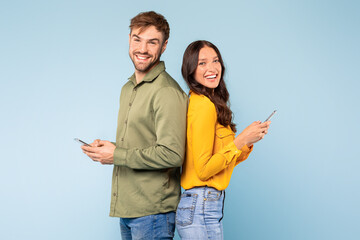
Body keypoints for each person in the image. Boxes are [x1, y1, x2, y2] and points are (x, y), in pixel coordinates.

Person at [81, 11, 188, 240]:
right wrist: (108, 147)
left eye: (152, 42)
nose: (142, 48)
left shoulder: (167, 91)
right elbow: (143, 142)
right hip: (129, 209)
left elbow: (172, 154)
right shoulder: (128, 88)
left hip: (153, 213)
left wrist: (117, 155)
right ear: (129, 39)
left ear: (164, 46)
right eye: (137, 39)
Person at [175, 40, 271, 240]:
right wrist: (242, 138)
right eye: (202, 63)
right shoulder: (202, 106)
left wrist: (248, 141)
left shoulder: (211, 103)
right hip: (201, 205)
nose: (211, 68)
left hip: (205, 205)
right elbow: (204, 170)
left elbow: (223, 161)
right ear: (190, 70)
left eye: (215, 60)